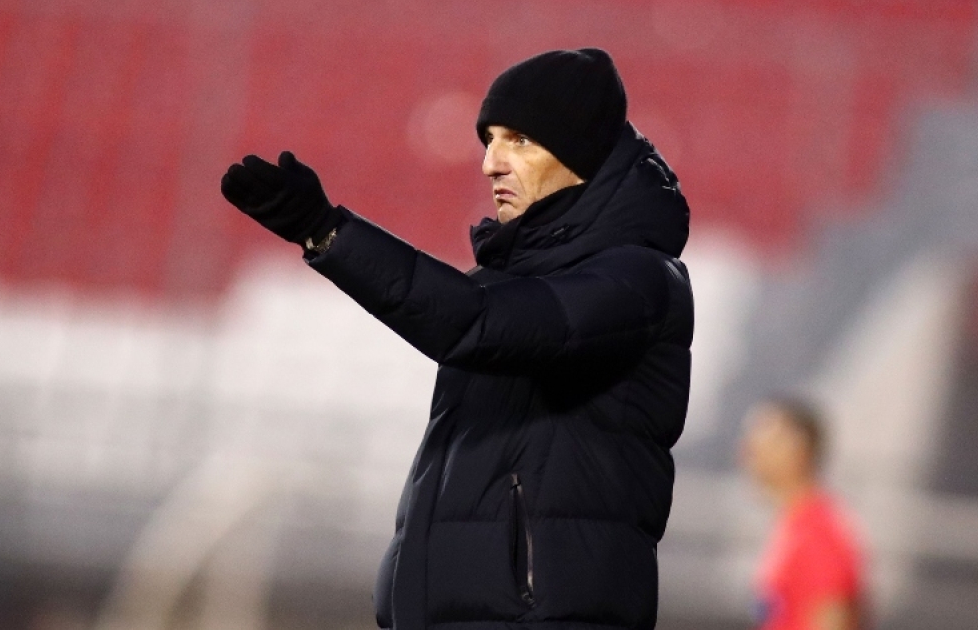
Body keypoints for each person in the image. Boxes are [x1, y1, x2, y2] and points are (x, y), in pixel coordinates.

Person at [220, 48, 693, 630]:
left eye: (520, 140)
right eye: (488, 141)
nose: (491, 163)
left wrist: (327, 233)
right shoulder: (501, 281)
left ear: (583, 153)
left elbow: (473, 324)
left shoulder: (637, 281)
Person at [741, 398, 865, 630]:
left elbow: (832, 619)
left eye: (767, 439)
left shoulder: (818, 532)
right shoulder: (794, 524)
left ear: (799, 449)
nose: (749, 451)